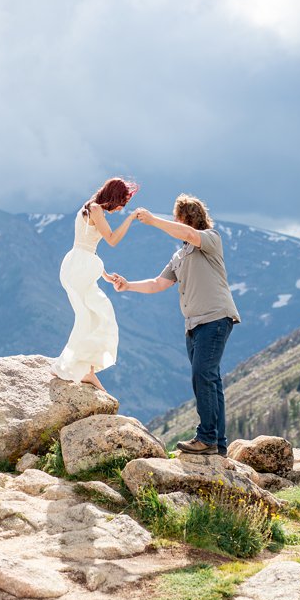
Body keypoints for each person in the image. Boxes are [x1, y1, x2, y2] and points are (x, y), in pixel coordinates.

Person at [106, 194, 241, 457]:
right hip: (195, 325)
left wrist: (154, 221)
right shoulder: (179, 255)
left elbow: (190, 235)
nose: (174, 222)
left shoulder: (210, 239)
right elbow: (159, 283)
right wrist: (128, 285)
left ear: (186, 218)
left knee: (202, 375)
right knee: (210, 379)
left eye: (176, 218)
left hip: (215, 318)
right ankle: (218, 444)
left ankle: (207, 438)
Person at [55, 177, 138, 382]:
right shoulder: (96, 209)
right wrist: (131, 219)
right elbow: (111, 239)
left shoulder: (89, 207)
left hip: (78, 265)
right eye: (122, 203)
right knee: (92, 317)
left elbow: (87, 248)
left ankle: (85, 370)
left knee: (94, 316)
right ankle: (75, 369)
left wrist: (106, 276)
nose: (121, 208)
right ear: (113, 197)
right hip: (80, 268)